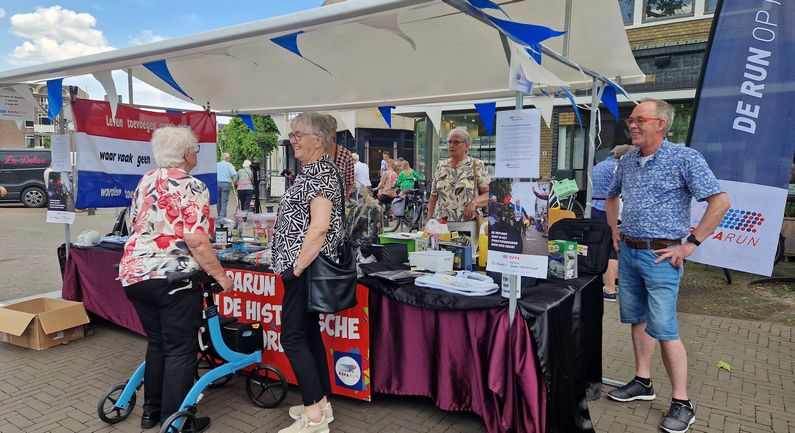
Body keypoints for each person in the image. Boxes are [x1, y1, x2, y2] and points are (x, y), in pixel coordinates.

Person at [605, 99, 729, 433]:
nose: (632, 124)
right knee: (637, 319)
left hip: (662, 256)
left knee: (665, 329)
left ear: (661, 124)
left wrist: (691, 244)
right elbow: (611, 195)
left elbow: (720, 202)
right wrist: (614, 229)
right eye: (630, 119)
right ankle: (643, 382)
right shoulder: (628, 160)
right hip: (629, 253)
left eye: (639, 119)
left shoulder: (684, 158)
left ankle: (682, 402)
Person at [118, 126, 234, 432]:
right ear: (185, 153)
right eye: (195, 148)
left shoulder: (147, 180)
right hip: (173, 277)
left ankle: (151, 412)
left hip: (135, 274)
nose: (197, 153)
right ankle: (177, 422)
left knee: (158, 344)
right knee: (181, 349)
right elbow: (196, 239)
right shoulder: (192, 185)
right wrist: (220, 276)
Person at [272, 112, 342, 433]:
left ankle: (313, 418)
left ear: (319, 139)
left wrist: (296, 268)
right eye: (292, 134)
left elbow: (320, 227)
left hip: (307, 268)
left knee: (293, 336)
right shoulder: (312, 171)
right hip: (304, 268)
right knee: (309, 335)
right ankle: (321, 404)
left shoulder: (320, 173)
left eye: (298, 134)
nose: (292, 139)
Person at [427, 128, 490, 250]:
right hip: (442, 226)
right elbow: (434, 196)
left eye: (456, 142)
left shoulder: (476, 165)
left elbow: (488, 194)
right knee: (442, 261)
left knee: (464, 260)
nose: (451, 145)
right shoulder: (441, 166)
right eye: (449, 142)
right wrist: (429, 221)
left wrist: (473, 203)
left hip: (466, 225)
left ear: (466, 146)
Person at [591, 144, 635, 302]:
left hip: (594, 208)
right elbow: (621, 191)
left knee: (601, 246)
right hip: (610, 210)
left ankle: (608, 282)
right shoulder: (617, 168)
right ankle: (610, 286)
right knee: (613, 247)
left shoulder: (598, 166)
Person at [323, 115, 355, 197]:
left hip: (337, 205)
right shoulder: (311, 153)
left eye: (325, 130)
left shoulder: (345, 154)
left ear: (333, 131)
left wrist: (344, 200)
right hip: (314, 205)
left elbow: (349, 183)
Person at [216, 152, 237, 218]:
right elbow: (235, 174)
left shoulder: (216, 164)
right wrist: (233, 182)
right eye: (229, 158)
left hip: (217, 183)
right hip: (226, 184)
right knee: (224, 201)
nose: (230, 159)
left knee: (218, 201)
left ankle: (219, 215)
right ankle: (223, 217)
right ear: (226, 158)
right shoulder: (229, 165)